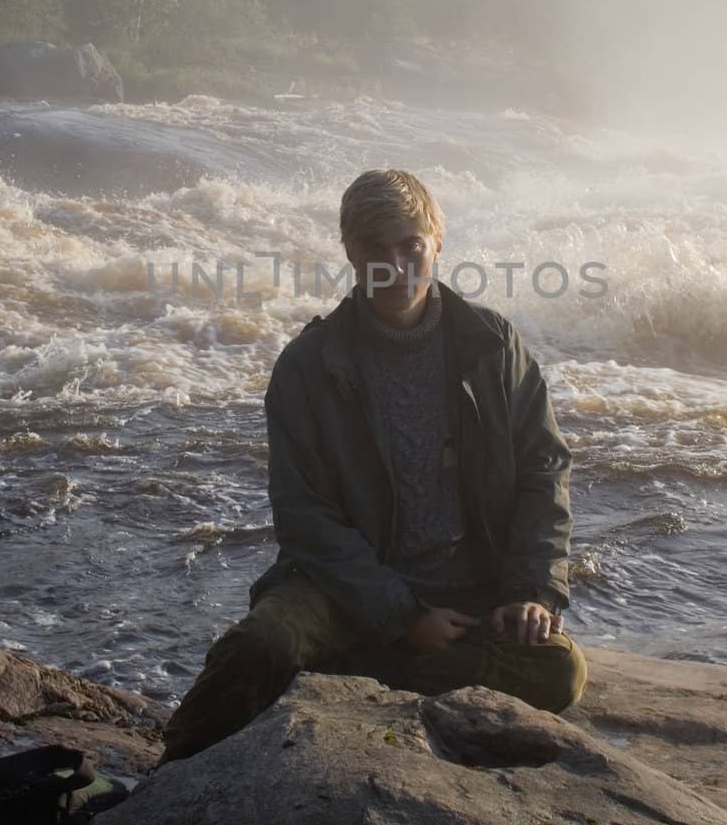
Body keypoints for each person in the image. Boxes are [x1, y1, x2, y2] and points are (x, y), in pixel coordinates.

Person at [160, 167, 586, 763]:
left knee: (557, 672)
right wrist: (404, 616)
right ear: (352, 257)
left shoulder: (492, 346)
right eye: (373, 249)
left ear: (437, 242)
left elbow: (545, 469)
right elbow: (306, 519)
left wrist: (532, 589)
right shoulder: (309, 366)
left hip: (466, 587)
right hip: (342, 591)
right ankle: (165, 773)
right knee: (260, 643)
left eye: (410, 245)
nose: (395, 264)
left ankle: (346, 677)